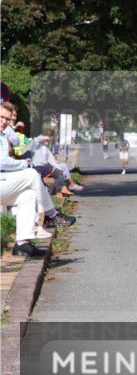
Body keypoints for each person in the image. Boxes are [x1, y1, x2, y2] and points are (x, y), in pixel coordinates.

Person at [1, 102, 76, 258]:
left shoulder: (3, 134)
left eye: (7, 119)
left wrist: (9, 130)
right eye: (1, 117)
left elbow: (15, 142)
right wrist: (25, 163)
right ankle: (52, 215)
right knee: (32, 174)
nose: (4, 122)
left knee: (28, 195)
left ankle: (22, 244)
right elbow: (2, 162)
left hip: (4, 181)